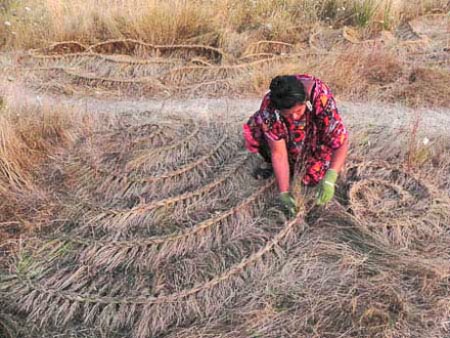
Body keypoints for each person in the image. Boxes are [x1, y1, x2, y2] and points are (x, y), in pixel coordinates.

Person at [243, 74, 349, 216]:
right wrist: (284, 192)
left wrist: (330, 177)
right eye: (288, 114)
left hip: (313, 123)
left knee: (313, 175)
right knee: (256, 130)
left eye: (298, 111)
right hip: (279, 125)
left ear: (305, 100)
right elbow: (278, 153)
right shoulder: (269, 109)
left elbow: (340, 139)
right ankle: (270, 162)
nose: (294, 117)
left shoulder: (321, 98)